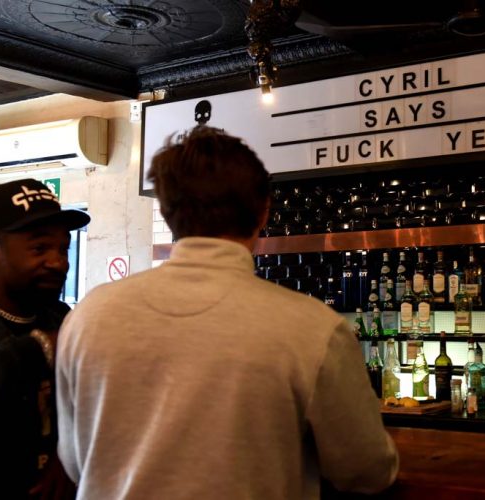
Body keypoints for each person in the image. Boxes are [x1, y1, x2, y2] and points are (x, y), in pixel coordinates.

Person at [56, 127, 399, 499]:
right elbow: (367, 470)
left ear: (167, 211)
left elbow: (76, 462)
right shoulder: (314, 328)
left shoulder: (88, 317)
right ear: (264, 211)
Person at [0, 179, 90, 499]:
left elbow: (82, 405)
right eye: (39, 248)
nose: (58, 262)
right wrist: (38, 347)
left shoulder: (62, 318)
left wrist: (66, 457)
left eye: (63, 248)